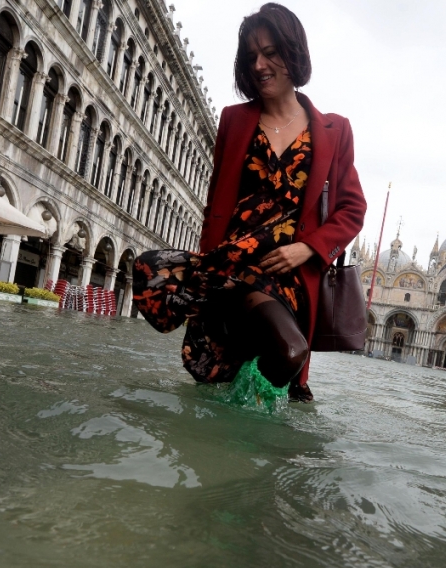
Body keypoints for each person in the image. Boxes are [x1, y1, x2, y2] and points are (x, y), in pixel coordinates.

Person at [133, 3, 366, 403]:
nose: (260, 65)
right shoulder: (234, 119)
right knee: (287, 351)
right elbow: (217, 201)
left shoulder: (335, 129)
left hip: (291, 271)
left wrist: (306, 248)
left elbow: (352, 208)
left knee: (288, 355)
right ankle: (238, 416)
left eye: (271, 52)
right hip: (236, 266)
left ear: (294, 54)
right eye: (252, 55)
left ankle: (244, 416)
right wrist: (211, 260)